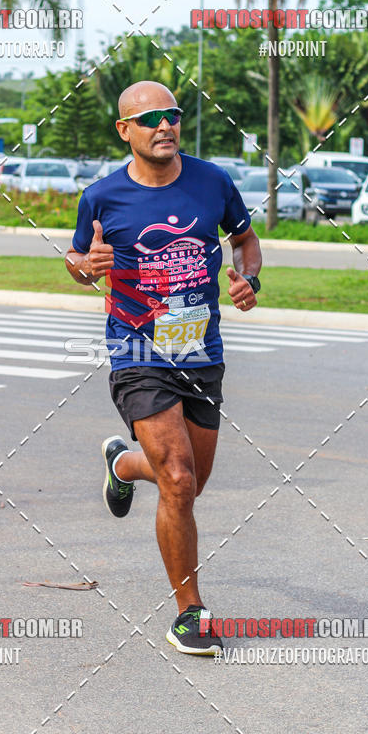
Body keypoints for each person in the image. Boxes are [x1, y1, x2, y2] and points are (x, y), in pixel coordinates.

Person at [66, 81, 262, 654]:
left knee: (192, 483)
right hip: (136, 350)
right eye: (149, 118)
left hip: (201, 351)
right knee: (177, 479)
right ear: (125, 130)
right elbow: (79, 259)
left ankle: (123, 466)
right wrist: (86, 266)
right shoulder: (101, 197)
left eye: (172, 114)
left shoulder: (212, 181)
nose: (165, 125)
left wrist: (250, 279)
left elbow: (246, 242)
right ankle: (189, 611)